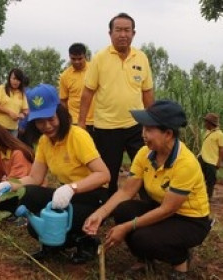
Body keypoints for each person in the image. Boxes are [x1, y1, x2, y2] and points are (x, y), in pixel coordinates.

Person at [83, 100, 211, 280]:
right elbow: (126, 192)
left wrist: (126, 227)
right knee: (123, 209)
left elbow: (168, 209)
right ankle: (145, 260)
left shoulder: (186, 164)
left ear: (168, 133)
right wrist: (100, 213)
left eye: (149, 130)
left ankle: (181, 262)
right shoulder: (144, 154)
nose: (143, 134)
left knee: (142, 237)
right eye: (143, 128)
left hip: (190, 220)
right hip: (160, 208)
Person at [0, 84, 111, 264]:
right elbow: (34, 178)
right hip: (67, 195)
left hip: (93, 196)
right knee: (31, 203)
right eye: (40, 122)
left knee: (64, 219)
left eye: (51, 119)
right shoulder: (45, 143)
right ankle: (51, 245)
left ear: (60, 114)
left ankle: (86, 242)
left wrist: (72, 188)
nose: (46, 126)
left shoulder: (77, 136)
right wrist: (9, 184)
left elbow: (104, 175)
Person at [78, 12, 155, 197]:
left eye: (127, 30)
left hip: (135, 126)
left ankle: (149, 205)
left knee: (146, 167)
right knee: (108, 173)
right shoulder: (99, 58)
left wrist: (152, 122)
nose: (123, 34)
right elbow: (88, 92)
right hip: (107, 127)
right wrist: (81, 123)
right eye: (118, 30)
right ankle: (105, 207)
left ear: (133, 33)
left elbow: (147, 92)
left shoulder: (141, 58)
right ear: (110, 33)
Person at [59, 43, 95, 134]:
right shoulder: (65, 76)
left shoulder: (94, 69)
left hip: (96, 120)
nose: (76, 62)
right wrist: (66, 120)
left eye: (80, 59)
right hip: (75, 120)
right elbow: (63, 100)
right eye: (73, 59)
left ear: (85, 56)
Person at [0, 68, 29, 136]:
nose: (15, 81)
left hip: (13, 129)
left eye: (18, 80)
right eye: (14, 78)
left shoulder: (22, 93)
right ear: (9, 78)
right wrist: (9, 112)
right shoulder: (1, 88)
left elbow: (26, 110)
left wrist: (21, 115)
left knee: (11, 147)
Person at [198, 113, 223, 199]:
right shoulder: (207, 132)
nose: (205, 124)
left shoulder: (219, 134)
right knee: (198, 178)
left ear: (210, 123)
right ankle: (199, 194)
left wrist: (219, 162)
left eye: (206, 122)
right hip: (202, 158)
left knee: (210, 181)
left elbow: (221, 149)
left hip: (212, 161)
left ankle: (208, 197)